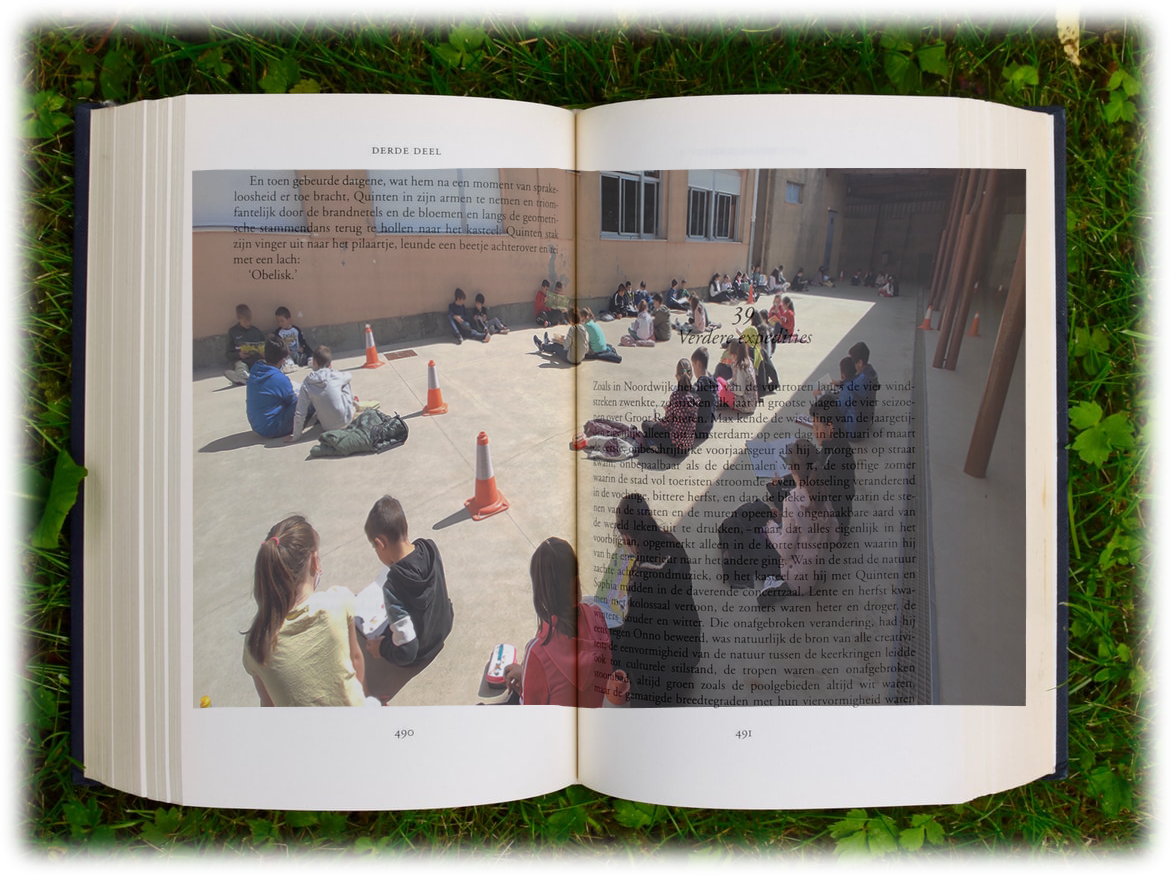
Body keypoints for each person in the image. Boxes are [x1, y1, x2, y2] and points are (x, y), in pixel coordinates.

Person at [242, 516, 367, 706]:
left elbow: (268, 703)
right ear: (315, 561)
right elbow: (356, 660)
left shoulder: (255, 643)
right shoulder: (338, 601)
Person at [501, 538, 614, 707]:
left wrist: (527, 678)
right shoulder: (597, 616)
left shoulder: (537, 654)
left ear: (540, 592)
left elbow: (530, 718)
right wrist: (528, 674)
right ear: (576, 582)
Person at [611, 494, 700, 705]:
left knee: (608, 640)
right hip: (689, 652)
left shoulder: (641, 584)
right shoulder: (673, 544)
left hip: (662, 685)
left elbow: (629, 648)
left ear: (627, 538)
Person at [362, 495, 454, 667]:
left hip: (421, 651)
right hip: (445, 627)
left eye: (374, 548)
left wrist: (382, 648)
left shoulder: (392, 587)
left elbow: (408, 651)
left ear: (380, 543)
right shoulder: (430, 548)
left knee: (384, 636)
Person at [756, 439, 835, 605]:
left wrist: (771, 526)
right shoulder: (824, 495)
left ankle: (777, 583)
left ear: (791, 469)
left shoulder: (791, 501)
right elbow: (834, 536)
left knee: (762, 541)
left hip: (796, 577)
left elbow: (786, 551)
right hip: (814, 570)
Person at [778, 395, 855, 531]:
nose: (814, 432)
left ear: (830, 426)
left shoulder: (835, 459)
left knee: (786, 500)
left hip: (835, 524)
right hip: (835, 510)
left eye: (817, 427)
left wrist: (785, 489)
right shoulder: (835, 444)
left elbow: (813, 496)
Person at [286, 345, 354, 443]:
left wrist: (295, 436)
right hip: (345, 421)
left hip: (326, 427)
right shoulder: (336, 375)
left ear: (313, 363)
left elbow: (300, 412)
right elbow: (349, 376)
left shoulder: (307, 382)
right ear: (330, 364)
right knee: (345, 383)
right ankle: (351, 407)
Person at [641, 359, 699, 456]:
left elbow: (667, 424)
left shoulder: (676, 396)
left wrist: (657, 422)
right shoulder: (695, 396)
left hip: (675, 448)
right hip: (687, 447)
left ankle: (655, 445)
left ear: (677, 376)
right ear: (691, 376)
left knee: (646, 424)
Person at [246, 335, 299, 438]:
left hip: (257, 426)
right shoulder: (279, 378)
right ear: (282, 360)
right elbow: (292, 401)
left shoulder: (255, 371)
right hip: (274, 428)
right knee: (308, 397)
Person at [838, 341, 880, 441]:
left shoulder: (851, 386)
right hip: (866, 422)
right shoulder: (871, 374)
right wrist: (841, 383)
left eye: (852, 362)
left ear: (860, 362)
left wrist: (821, 396)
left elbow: (838, 410)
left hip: (852, 432)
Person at [224, 303, 266, 385]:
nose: (248, 323)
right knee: (240, 366)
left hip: (256, 359)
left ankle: (260, 375)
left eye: (249, 320)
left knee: (263, 364)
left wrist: (264, 353)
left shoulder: (256, 331)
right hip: (241, 360)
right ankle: (241, 377)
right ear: (238, 319)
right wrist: (239, 355)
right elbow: (228, 353)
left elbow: (264, 346)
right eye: (245, 321)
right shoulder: (232, 332)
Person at [716, 339, 757, 416]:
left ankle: (722, 400)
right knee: (719, 379)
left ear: (735, 355)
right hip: (749, 400)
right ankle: (723, 400)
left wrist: (729, 388)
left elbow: (740, 391)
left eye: (732, 355)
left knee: (722, 393)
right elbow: (737, 380)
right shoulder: (746, 360)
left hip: (745, 404)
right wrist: (729, 383)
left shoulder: (741, 367)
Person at [690, 346, 718, 442]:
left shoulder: (700, 385)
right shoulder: (712, 378)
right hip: (708, 426)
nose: (693, 371)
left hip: (698, 429)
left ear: (698, 364)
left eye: (693, 366)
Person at [274, 306, 311, 371]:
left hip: (297, 352)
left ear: (289, 319)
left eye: (282, 321)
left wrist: (302, 347)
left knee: (307, 353)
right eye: (278, 321)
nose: (280, 323)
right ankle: (290, 366)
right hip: (287, 354)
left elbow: (303, 341)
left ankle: (310, 360)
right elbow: (278, 345)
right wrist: (285, 351)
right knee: (286, 359)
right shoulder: (278, 332)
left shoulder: (296, 330)